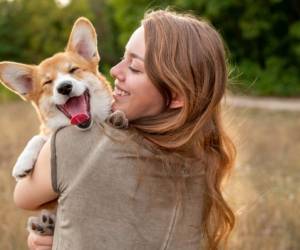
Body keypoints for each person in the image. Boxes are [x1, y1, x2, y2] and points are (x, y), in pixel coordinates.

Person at [14, 9, 236, 250]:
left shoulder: (73, 144)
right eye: (123, 57)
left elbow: (22, 197)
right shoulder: (204, 158)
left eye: (135, 67)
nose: (114, 71)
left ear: (174, 95)